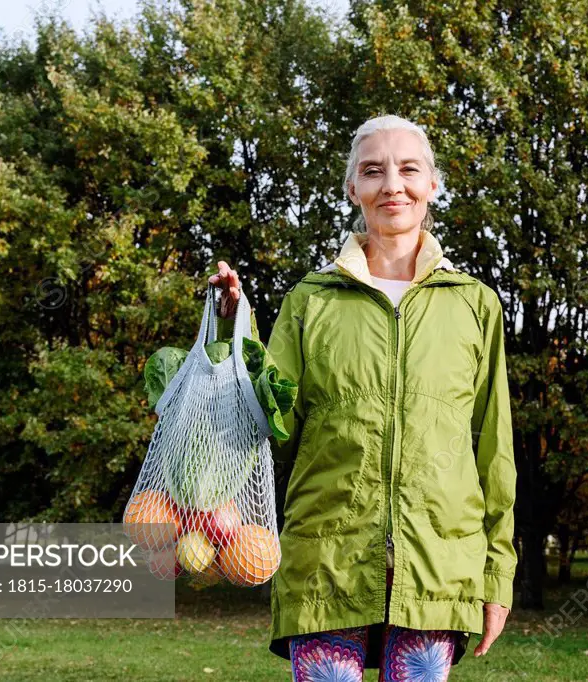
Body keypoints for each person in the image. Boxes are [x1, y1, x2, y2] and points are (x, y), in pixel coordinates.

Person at [209, 114, 517, 681]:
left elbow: (494, 449)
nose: (392, 184)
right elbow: (266, 418)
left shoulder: (474, 305)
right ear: (353, 189)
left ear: (433, 185)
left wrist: (496, 577)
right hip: (326, 559)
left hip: (438, 566)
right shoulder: (311, 300)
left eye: (408, 169)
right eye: (373, 171)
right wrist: (235, 332)